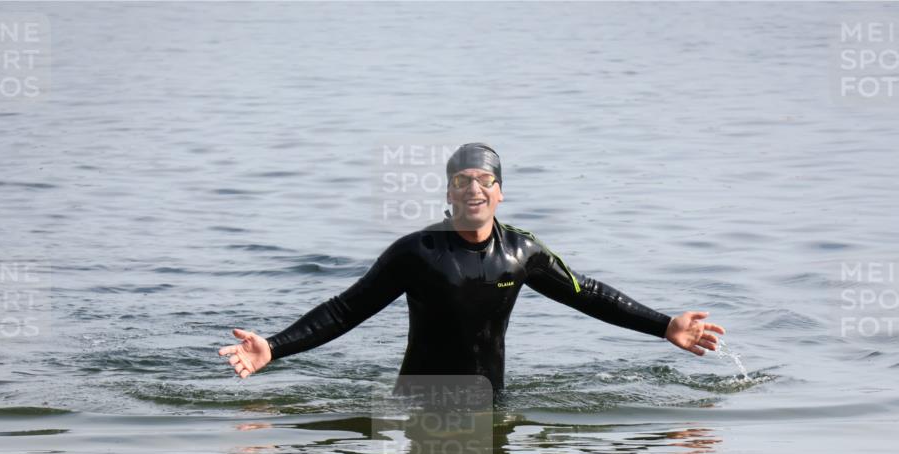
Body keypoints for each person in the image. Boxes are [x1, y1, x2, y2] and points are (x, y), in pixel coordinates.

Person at [219, 143, 725, 391]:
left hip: (489, 402)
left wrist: (664, 325)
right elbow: (346, 309)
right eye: (462, 180)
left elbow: (585, 293)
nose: (474, 188)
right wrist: (275, 348)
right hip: (421, 402)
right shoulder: (416, 253)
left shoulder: (523, 252)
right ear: (448, 193)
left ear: (500, 192)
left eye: (484, 179)